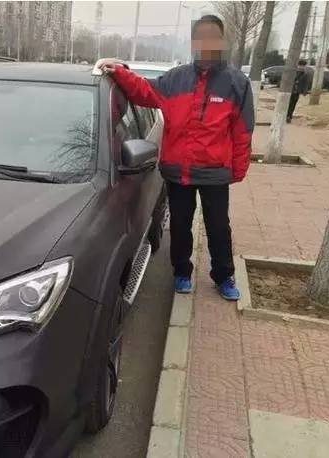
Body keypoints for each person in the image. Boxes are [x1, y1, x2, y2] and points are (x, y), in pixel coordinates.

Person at [100, 14, 253, 301]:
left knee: (219, 227)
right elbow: (145, 91)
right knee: (180, 226)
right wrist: (119, 72)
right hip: (178, 171)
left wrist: (238, 169)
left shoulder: (236, 83)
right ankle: (182, 272)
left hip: (214, 172)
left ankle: (223, 276)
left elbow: (243, 130)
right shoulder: (175, 79)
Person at [287, 59, 309, 123]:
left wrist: (305, 91)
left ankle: (289, 116)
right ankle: (287, 115)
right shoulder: (293, 72)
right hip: (290, 91)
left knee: (293, 104)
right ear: (298, 65)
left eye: (303, 66)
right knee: (289, 104)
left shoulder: (305, 74)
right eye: (301, 65)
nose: (302, 67)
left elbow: (305, 83)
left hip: (297, 92)